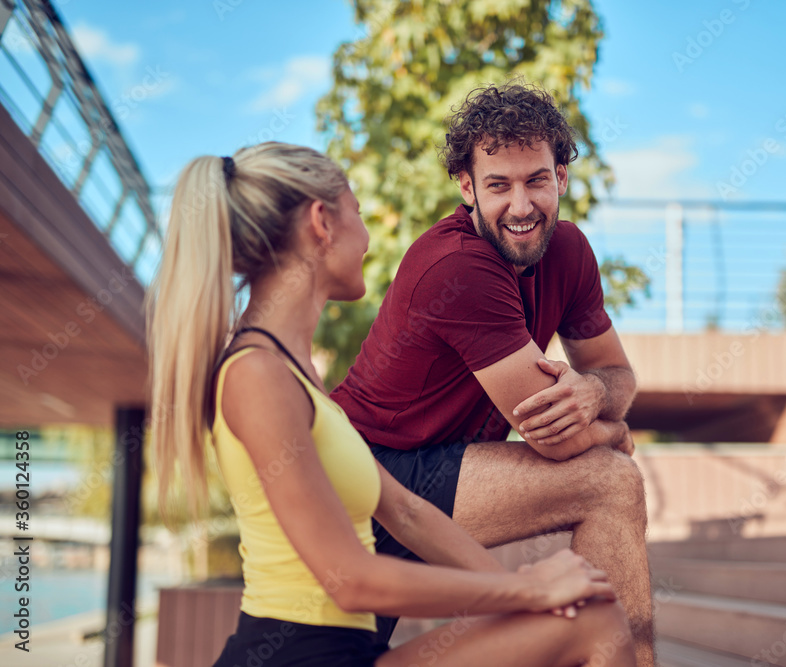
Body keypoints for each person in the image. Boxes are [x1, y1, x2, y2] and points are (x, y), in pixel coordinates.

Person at [146, 142, 636, 667]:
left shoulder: (300, 378)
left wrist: (529, 592)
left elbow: (407, 511)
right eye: (357, 212)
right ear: (321, 223)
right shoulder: (256, 375)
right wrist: (530, 593)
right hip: (295, 658)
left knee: (594, 621)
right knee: (589, 620)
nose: (367, 238)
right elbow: (351, 581)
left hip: (354, 655)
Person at [330, 82, 654, 666]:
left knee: (611, 484)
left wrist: (596, 391)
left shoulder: (572, 253)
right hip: (371, 476)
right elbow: (559, 441)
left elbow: (618, 374)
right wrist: (613, 429)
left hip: (441, 474)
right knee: (610, 476)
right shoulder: (459, 266)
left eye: (535, 179)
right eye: (498, 185)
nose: (522, 206)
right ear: (467, 188)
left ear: (561, 176)